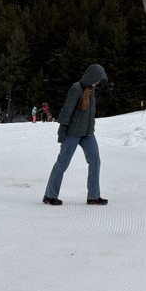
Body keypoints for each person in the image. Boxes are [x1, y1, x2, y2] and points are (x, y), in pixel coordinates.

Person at [44, 64, 108, 206]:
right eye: (97, 79)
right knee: (63, 163)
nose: (98, 82)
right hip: (72, 133)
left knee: (95, 160)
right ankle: (50, 195)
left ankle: (93, 196)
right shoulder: (76, 88)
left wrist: (91, 128)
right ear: (91, 76)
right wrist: (62, 131)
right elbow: (67, 110)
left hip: (87, 133)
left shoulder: (91, 90)